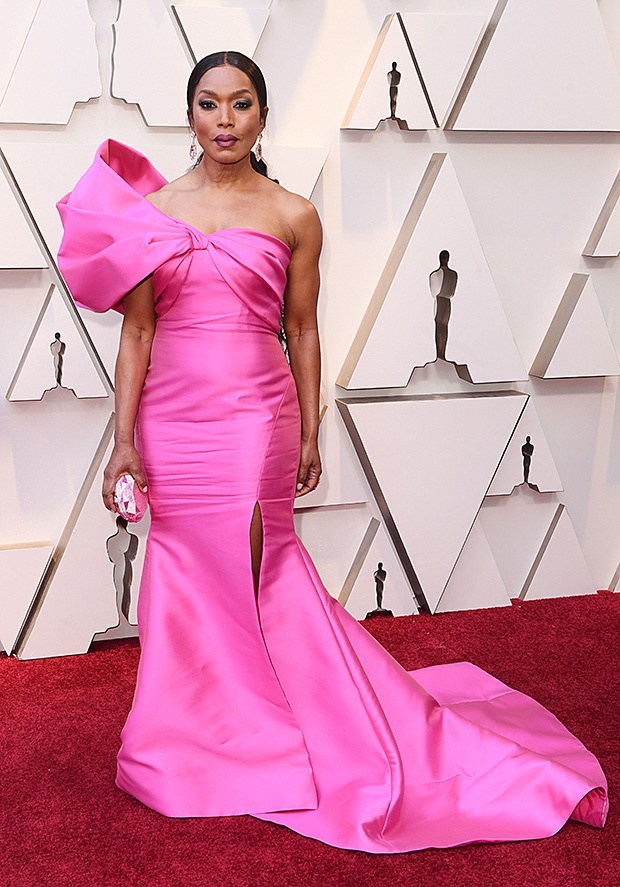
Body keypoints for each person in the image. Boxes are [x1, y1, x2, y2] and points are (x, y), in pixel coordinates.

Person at [56, 50, 608, 854]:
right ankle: (200, 732)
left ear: (262, 116)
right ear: (190, 114)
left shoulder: (294, 214)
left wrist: (312, 429)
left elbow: (303, 328)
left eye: (240, 103)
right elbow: (137, 333)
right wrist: (123, 439)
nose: (224, 120)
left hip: (257, 413)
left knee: (253, 567)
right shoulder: (153, 212)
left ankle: (271, 725)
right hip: (174, 422)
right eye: (209, 103)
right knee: (186, 567)